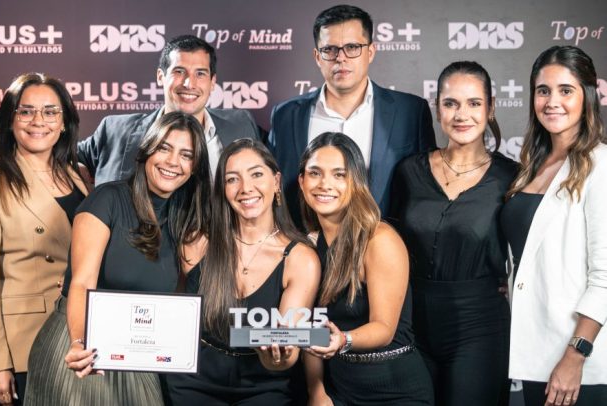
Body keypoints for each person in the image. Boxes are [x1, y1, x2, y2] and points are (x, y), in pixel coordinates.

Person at [24, 111, 211, 405]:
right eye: (164, 148)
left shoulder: (186, 220)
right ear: (147, 150)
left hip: (138, 353)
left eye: (186, 155)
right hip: (84, 346)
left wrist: (189, 268)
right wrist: (79, 342)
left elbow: (170, 304)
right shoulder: (106, 199)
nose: (173, 162)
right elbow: (82, 282)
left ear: (195, 166)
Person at [389, 62, 517, 405]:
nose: (462, 115)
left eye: (474, 103)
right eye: (451, 103)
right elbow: (386, 241)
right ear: (437, 108)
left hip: (481, 325)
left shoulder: (512, 177)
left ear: (491, 108)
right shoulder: (408, 171)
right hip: (411, 324)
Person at [0, 73, 89, 405]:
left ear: (64, 122)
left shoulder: (79, 176)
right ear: (10, 120)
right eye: (26, 111)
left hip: (80, 340)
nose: (38, 121)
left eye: (50, 111)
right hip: (26, 345)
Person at [165, 138, 320, 404]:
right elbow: (171, 317)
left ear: (276, 181)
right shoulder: (197, 243)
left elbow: (289, 352)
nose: (246, 188)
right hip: (193, 381)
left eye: (256, 174)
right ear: (222, 189)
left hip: (264, 385)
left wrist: (277, 358)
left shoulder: (301, 259)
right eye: (232, 179)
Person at [502, 46, 607, 406]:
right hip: (536, 351)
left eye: (566, 90)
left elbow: (605, 276)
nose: (552, 102)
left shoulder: (600, 164)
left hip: (578, 361)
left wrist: (576, 355)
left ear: (587, 96)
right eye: (543, 90)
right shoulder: (533, 165)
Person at [268, 4, 435, 228]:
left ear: (371, 52)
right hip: (306, 244)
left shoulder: (410, 112)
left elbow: (427, 191)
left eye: (352, 47)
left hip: (384, 243)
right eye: (330, 49)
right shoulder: (286, 116)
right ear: (317, 56)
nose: (341, 58)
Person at [299, 132, 433, 405]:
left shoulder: (379, 239)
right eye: (315, 173)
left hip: (394, 389)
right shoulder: (308, 246)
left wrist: (342, 340)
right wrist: (317, 391)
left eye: (339, 175)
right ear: (301, 181)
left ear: (356, 182)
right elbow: (309, 328)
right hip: (339, 389)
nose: (325, 184)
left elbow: (384, 329)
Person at [78, 34, 260, 185]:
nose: (189, 83)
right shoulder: (115, 130)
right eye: (179, 71)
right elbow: (66, 155)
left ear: (212, 82)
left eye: (200, 73)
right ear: (160, 76)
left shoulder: (241, 124)